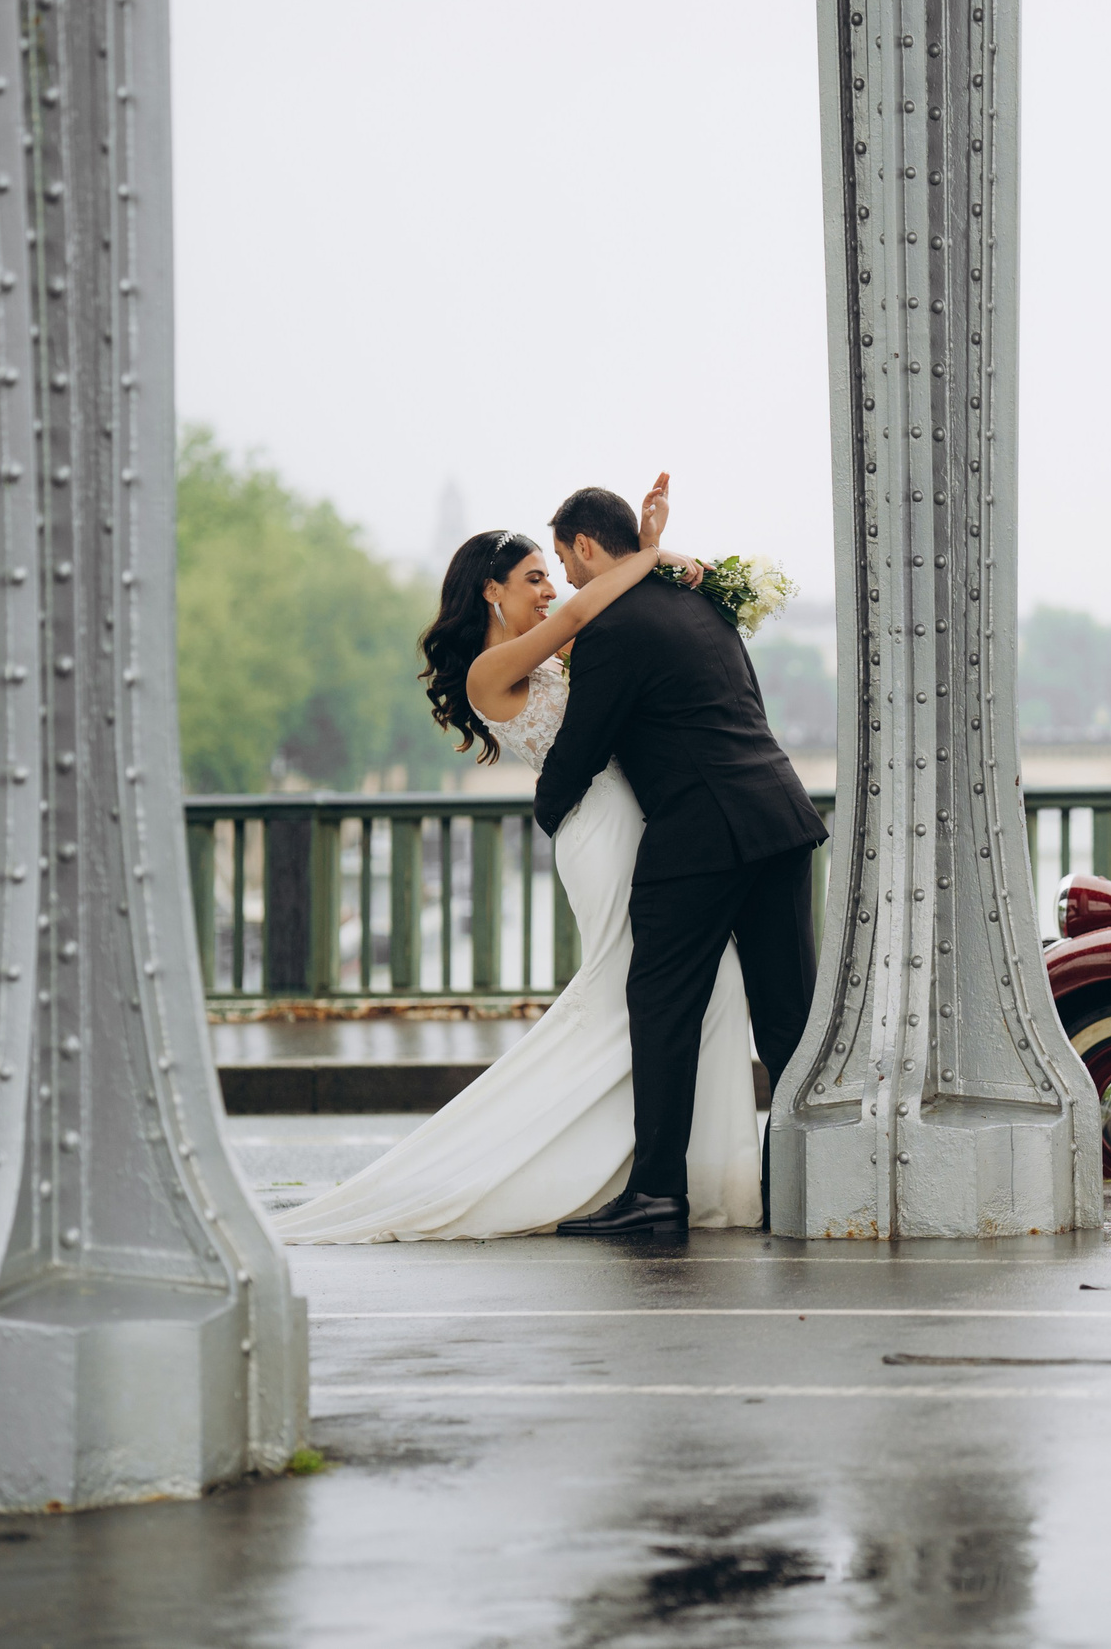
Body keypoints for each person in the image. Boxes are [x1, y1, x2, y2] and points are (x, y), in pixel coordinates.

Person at [275, 476, 773, 1242]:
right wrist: (652, 552)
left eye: (550, 573)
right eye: (533, 578)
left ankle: (688, 1176)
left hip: (641, 818)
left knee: (705, 986)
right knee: (636, 991)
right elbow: (588, 606)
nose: (549, 590)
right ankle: (625, 1172)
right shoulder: (488, 672)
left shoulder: (554, 651)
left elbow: (613, 620)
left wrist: (650, 559)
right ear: (491, 592)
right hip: (600, 832)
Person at [535, 484, 828, 1237]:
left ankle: (657, 1191)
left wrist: (550, 810)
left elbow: (585, 743)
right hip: (779, 815)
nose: (568, 579)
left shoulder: (612, 625)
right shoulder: (702, 604)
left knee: (661, 1007)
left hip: (699, 836)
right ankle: (797, 1183)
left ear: (588, 545)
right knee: (788, 1017)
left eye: (566, 561)